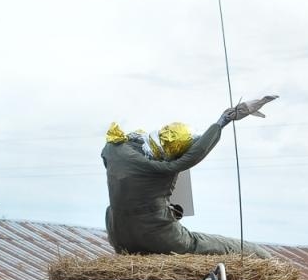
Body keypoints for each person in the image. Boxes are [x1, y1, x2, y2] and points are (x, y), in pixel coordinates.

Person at [101, 96, 277, 258]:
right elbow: (194, 153)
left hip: (118, 236)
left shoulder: (114, 151)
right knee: (209, 245)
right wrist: (223, 121)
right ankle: (264, 257)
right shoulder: (163, 168)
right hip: (159, 237)